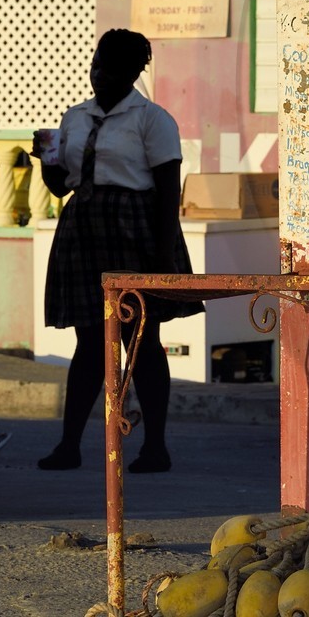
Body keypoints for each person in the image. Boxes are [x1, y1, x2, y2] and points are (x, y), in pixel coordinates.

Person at [31, 28, 201, 473]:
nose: (99, 75)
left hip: (134, 230)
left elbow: (168, 190)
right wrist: (46, 159)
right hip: (83, 230)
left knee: (141, 339)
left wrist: (163, 257)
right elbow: (60, 186)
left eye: (110, 68)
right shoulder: (75, 117)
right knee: (88, 341)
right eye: (97, 65)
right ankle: (68, 446)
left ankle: (155, 448)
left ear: (131, 73)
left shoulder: (152, 119)